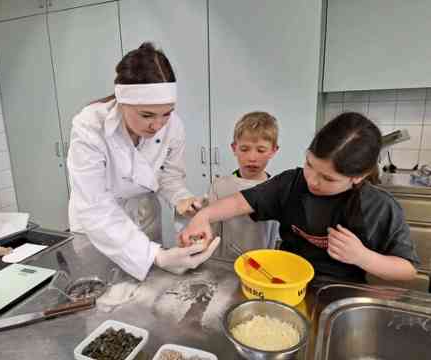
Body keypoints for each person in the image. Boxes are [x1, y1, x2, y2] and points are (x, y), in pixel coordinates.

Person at [180, 112, 419, 282]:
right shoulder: (291, 183)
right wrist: (204, 215)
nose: (313, 180)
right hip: (285, 281)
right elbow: (240, 201)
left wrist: (363, 257)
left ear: (359, 176)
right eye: (309, 164)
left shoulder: (379, 207)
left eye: (328, 179)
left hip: (341, 290)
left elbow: (407, 270)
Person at [67, 42, 220, 281]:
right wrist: (154, 255)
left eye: (166, 113)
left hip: (144, 217)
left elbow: (169, 176)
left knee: (144, 297)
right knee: (101, 294)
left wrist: (181, 199)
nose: (158, 125)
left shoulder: (174, 126)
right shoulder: (90, 126)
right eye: (147, 115)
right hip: (96, 228)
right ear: (123, 101)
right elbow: (95, 205)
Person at [208, 111, 281, 259]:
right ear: (234, 148)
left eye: (261, 150)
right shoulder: (220, 186)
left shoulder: (278, 188)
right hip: (225, 263)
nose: (252, 158)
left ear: (274, 150)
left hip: (263, 264)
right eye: (244, 149)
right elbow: (210, 230)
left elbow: (277, 234)